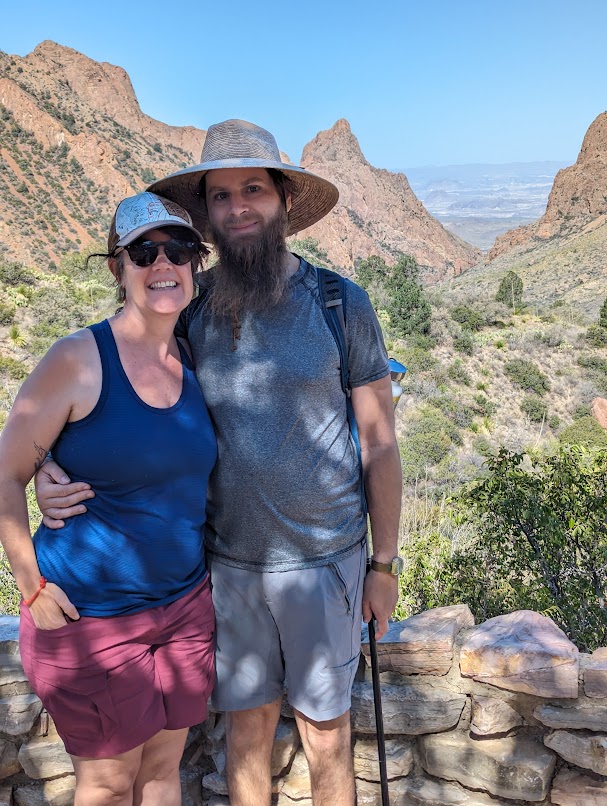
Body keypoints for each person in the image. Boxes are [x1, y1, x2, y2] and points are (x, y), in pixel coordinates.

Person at [36, 120, 403, 806]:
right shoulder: (189, 311)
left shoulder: (338, 303)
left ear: (282, 201)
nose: (238, 207)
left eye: (253, 190)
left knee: (327, 736)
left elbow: (380, 442)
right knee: (246, 731)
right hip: (226, 566)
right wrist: (48, 467)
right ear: (206, 212)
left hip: (325, 559)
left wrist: (383, 565)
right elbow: (117, 391)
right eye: (221, 195)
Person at [0, 192, 217, 806]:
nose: (162, 264)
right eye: (144, 252)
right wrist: (30, 586)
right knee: (108, 785)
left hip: (184, 610)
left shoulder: (193, 357)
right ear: (117, 268)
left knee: (161, 772)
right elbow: (5, 470)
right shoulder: (78, 359)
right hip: (90, 618)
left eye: (178, 251)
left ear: (195, 264)